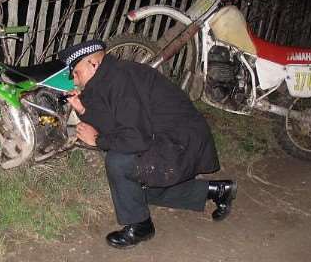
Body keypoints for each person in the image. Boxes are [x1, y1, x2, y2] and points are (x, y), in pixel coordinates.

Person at [59, 39, 237, 249]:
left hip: (181, 142)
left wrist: (98, 140)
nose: (75, 81)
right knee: (134, 194)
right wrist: (83, 111)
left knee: (119, 162)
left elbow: (134, 138)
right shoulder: (113, 77)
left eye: (77, 74)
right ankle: (216, 190)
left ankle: (140, 226)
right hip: (170, 139)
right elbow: (117, 123)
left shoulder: (121, 79)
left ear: (93, 64)